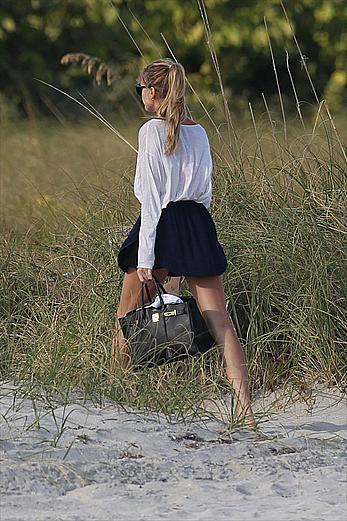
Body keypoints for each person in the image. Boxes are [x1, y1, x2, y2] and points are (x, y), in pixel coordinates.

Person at [113, 58, 256, 429]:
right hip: (197, 223)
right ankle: (246, 413)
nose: (140, 95)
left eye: (141, 88)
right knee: (220, 320)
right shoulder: (201, 132)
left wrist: (147, 256)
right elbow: (205, 193)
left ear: (153, 91)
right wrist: (195, 231)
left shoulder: (150, 132)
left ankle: (115, 392)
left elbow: (150, 196)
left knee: (127, 315)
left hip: (161, 224)